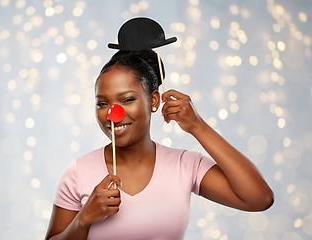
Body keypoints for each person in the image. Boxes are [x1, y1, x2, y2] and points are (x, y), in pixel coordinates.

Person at [45, 50, 274, 240]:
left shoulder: (185, 165)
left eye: (127, 99)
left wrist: (198, 126)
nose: (112, 114)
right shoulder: (77, 172)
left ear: (153, 100)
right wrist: (83, 220)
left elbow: (259, 198)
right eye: (102, 103)